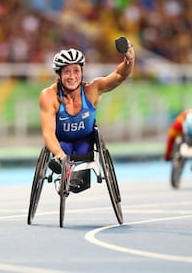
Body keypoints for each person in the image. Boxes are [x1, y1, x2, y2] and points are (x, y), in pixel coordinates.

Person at [39, 38, 135, 186]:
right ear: (59, 74)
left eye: (76, 71)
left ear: (82, 72)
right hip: (61, 142)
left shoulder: (92, 90)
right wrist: (59, 154)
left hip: (85, 141)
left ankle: (75, 176)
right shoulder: (48, 95)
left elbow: (120, 75)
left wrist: (129, 57)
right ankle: (66, 171)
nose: (72, 77)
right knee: (63, 149)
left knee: (83, 151)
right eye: (67, 72)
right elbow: (48, 133)